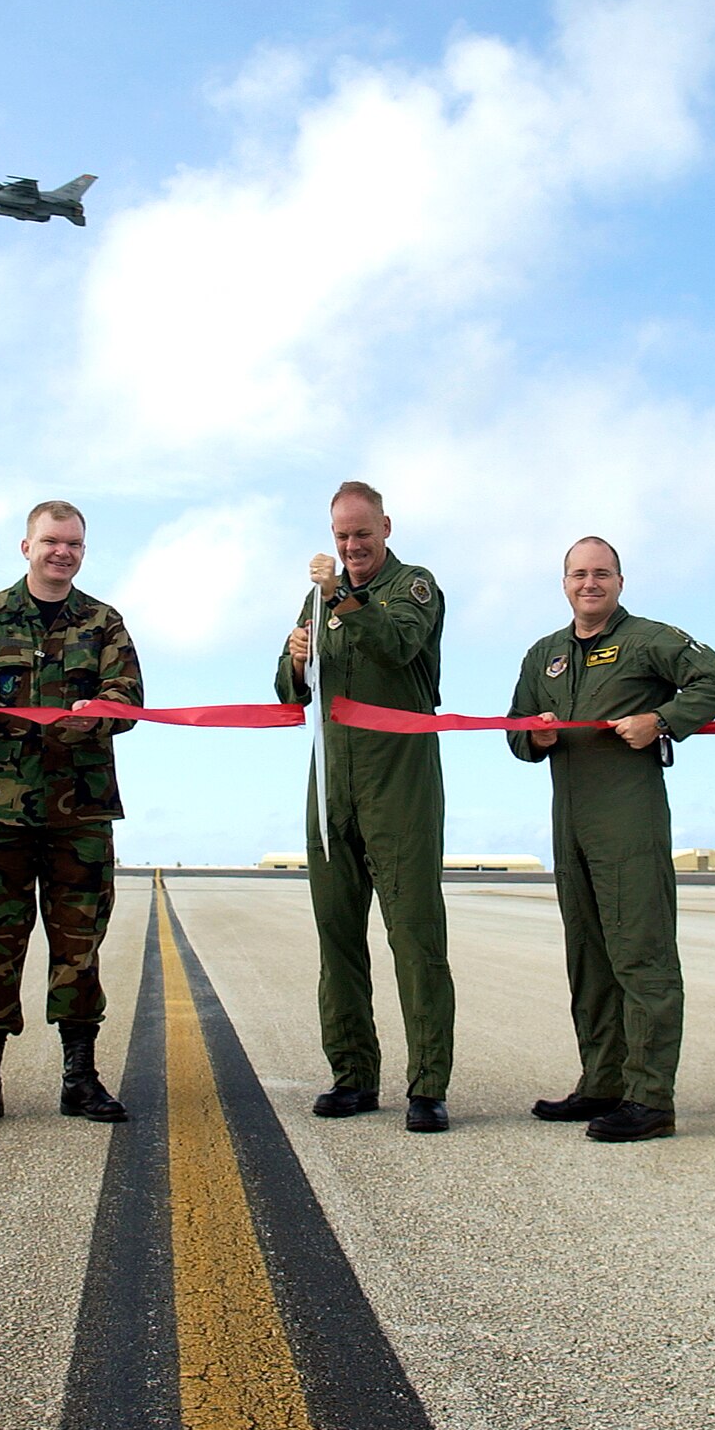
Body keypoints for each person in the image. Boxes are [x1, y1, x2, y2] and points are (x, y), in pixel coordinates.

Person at [507, 538, 715, 1141]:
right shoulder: (545, 654)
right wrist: (536, 738)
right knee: (588, 959)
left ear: (619, 581)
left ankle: (650, 1097)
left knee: (642, 955)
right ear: (564, 583)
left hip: (629, 822)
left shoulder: (649, 640)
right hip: (571, 823)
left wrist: (663, 721)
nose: (590, 583)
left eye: (601, 573)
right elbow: (515, 729)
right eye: (579, 574)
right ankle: (602, 1082)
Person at [0, 500, 142, 1128]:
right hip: (0, 814)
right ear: (26, 546)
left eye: (74, 544)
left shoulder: (104, 623)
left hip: (79, 815)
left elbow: (127, 701)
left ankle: (80, 1078)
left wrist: (96, 711)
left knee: (79, 946)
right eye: (52, 541)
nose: (63, 553)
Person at [275, 482, 455, 1133]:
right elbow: (285, 691)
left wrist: (341, 599)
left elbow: (396, 647)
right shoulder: (315, 600)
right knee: (338, 940)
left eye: (362, 535)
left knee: (415, 939)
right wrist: (294, 661)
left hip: (398, 790)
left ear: (385, 527)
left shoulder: (415, 587)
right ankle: (352, 1075)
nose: (351, 547)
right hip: (331, 788)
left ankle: (428, 1085)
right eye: (341, 537)